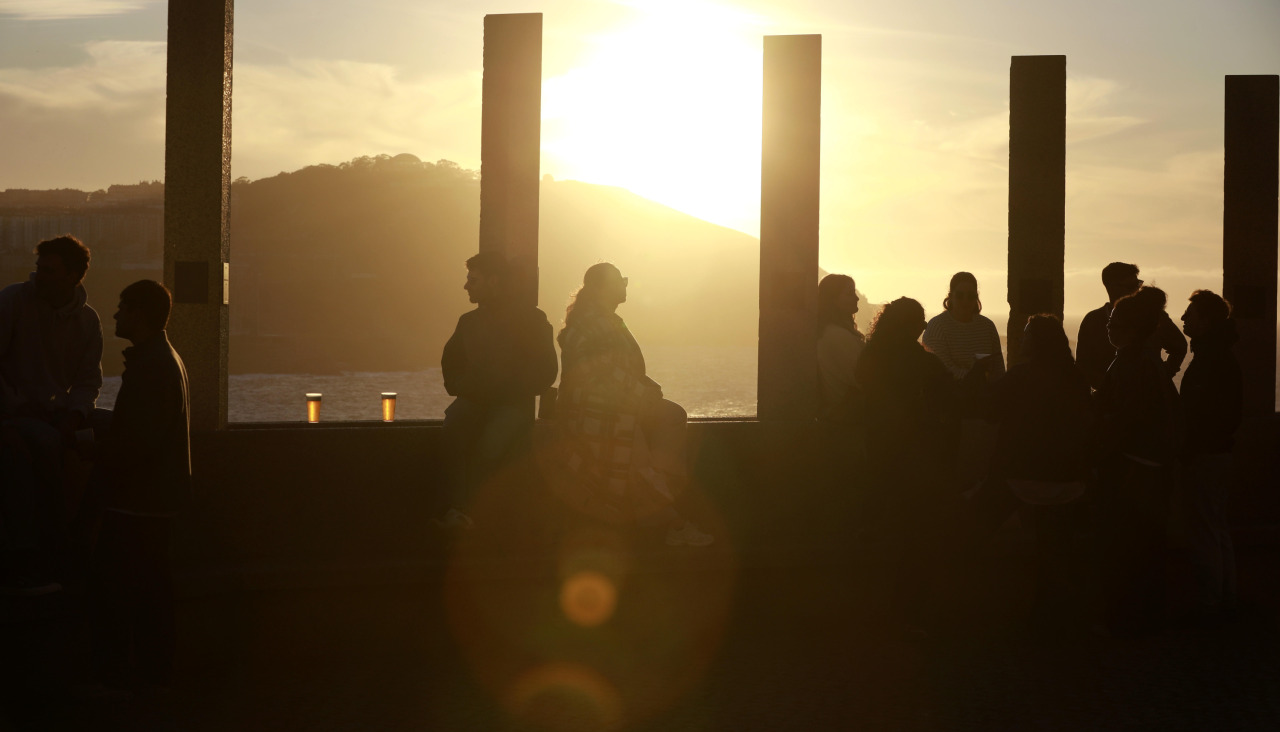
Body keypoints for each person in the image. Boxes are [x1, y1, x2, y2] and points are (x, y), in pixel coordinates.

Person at [545, 263, 711, 546]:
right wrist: (642, 394)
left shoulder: (601, 319)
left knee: (671, 416)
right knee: (649, 441)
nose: (625, 285)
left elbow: (618, 369)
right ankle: (668, 518)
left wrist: (645, 387)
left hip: (614, 404)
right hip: (597, 411)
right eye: (620, 281)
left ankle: (659, 490)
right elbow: (596, 374)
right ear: (601, 288)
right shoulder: (590, 324)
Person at [88, 279, 190, 694]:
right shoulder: (166, 360)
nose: (115, 315)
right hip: (157, 498)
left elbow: (137, 440)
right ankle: (154, 674)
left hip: (136, 501)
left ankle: (122, 679)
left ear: (140, 314)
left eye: (122, 308)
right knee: (151, 592)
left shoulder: (149, 367)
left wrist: (90, 445)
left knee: (117, 592)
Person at [969, 314, 1093, 632]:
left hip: (1019, 476)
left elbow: (988, 411)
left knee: (968, 531)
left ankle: (969, 608)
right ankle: (1048, 621)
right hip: (1066, 482)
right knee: (1053, 556)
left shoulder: (1021, 377)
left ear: (1035, 343)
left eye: (1026, 335)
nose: (1022, 341)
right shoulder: (1077, 378)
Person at [0, 234, 104, 594]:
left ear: (75, 277)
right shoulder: (12, 302)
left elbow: (89, 381)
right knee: (45, 444)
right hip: (16, 414)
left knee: (110, 429)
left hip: (56, 415)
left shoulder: (87, 321)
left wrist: (76, 415)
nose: (38, 277)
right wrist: (14, 408)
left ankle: (88, 538)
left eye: (49, 271)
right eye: (39, 269)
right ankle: (48, 552)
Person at [436, 253, 558, 530]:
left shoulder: (532, 320)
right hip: (476, 399)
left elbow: (546, 370)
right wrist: (464, 387)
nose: (467, 286)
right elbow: (450, 363)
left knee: (491, 444)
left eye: (473, 280)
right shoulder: (468, 321)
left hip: (514, 404)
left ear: (493, 281)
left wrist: (505, 390)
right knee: (453, 430)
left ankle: (471, 514)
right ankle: (458, 510)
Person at [854, 297, 955, 632]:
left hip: (881, 455)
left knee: (893, 534)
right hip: (917, 459)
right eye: (920, 321)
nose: (924, 326)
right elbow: (951, 397)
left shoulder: (869, 357)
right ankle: (913, 611)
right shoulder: (922, 362)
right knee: (919, 537)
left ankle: (892, 612)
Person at [1095, 286, 1182, 637]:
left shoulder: (1131, 364)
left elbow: (1124, 419)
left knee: (1127, 546)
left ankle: (1125, 620)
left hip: (1134, 467)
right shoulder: (1148, 362)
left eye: (1115, 322)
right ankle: (1147, 618)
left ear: (1132, 327)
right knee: (1149, 546)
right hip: (1152, 467)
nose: (1110, 328)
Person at [1177, 290, 1242, 619]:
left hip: (1205, 454)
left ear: (1207, 320)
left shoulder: (1210, 360)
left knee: (1204, 527)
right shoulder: (1219, 356)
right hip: (1218, 452)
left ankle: (1210, 602)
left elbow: (1203, 415)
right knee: (1216, 525)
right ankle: (1226, 595)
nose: (1184, 318)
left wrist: (1188, 449)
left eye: (1191, 313)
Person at [1077, 262, 1187, 391]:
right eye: (1131, 286)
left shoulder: (1154, 315)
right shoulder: (1092, 320)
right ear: (1111, 287)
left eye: (1138, 285)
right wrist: (1108, 389)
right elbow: (1083, 364)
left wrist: (1162, 376)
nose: (1137, 290)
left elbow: (1179, 346)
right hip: (1110, 403)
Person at [922, 272, 1004, 381]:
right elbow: (943, 369)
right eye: (960, 296)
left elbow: (998, 368)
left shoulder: (987, 327)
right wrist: (976, 379)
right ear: (951, 297)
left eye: (971, 296)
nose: (965, 301)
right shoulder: (937, 327)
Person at [816, 274, 866, 424]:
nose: (857, 298)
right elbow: (862, 378)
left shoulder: (831, 332)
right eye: (849, 294)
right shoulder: (837, 336)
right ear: (833, 300)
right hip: (847, 418)